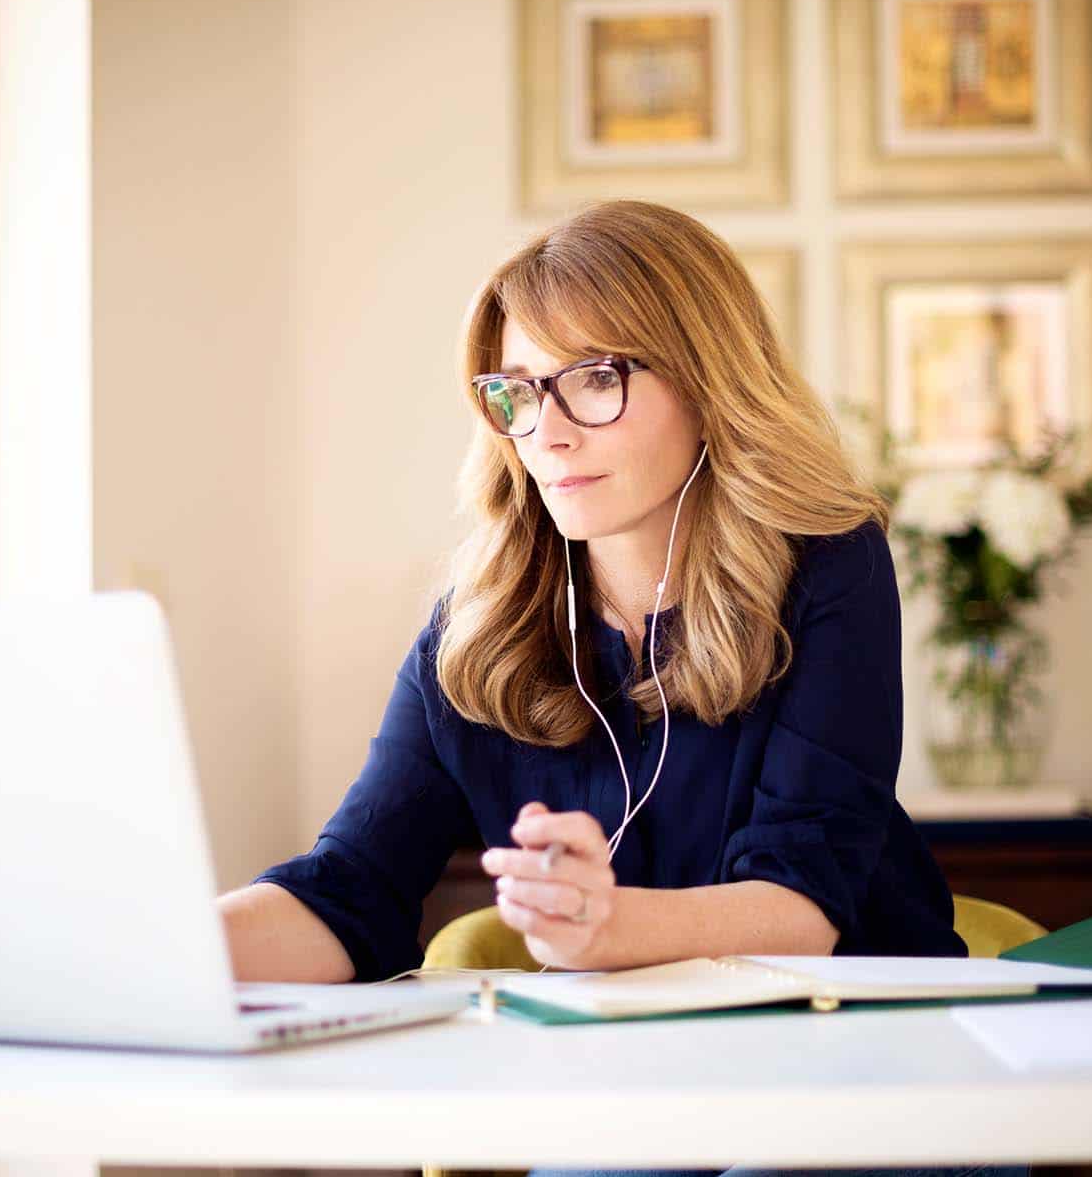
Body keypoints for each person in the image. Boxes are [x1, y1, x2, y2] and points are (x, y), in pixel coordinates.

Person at [217, 201, 1023, 1177]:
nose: (546, 432)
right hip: (628, 1094)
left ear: (703, 377)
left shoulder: (828, 566)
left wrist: (606, 926)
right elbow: (349, 889)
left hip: (859, 1068)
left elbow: (801, 903)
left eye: (593, 378)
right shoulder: (473, 626)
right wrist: (144, 953)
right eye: (517, 390)